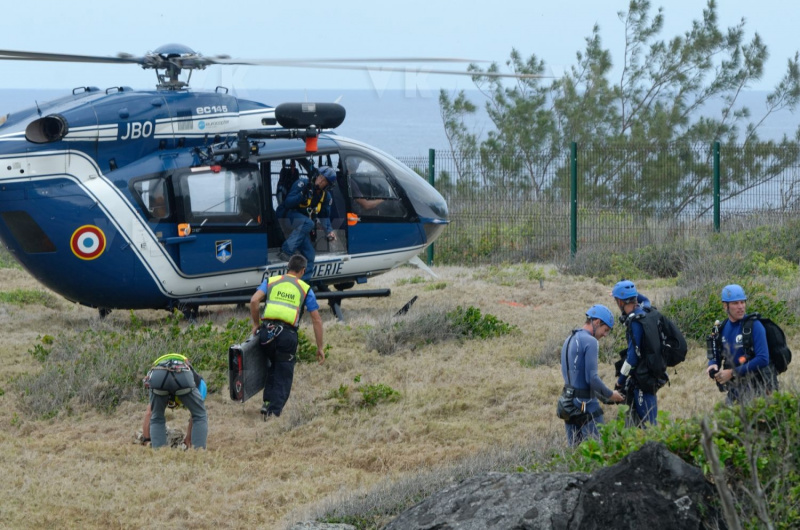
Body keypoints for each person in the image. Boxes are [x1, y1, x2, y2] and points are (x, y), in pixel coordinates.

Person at [249, 254, 326, 418]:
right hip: (286, 335)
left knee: (272, 365)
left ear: (288, 267)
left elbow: (254, 301)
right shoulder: (305, 289)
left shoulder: (271, 281)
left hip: (266, 333)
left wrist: (256, 324)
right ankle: (273, 414)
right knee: (284, 373)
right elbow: (316, 319)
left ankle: (267, 402)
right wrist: (320, 347)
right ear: (303, 270)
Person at [560, 304, 625, 446]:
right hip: (586, 404)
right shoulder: (591, 341)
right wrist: (610, 394)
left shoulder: (568, 339)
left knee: (575, 454)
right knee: (596, 452)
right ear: (596, 322)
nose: (605, 334)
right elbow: (592, 379)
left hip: (568, 402)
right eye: (605, 329)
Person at [707, 284, 778, 404]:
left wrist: (731, 373)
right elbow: (717, 354)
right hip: (736, 386)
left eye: (742, 302)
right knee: (728, 420)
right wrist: (713, 364)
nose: (740, 307)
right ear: (725, 306)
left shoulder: (755, 326)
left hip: (760, 386)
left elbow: (763, 359)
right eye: (735, 303)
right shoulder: (722, 328)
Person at [612, 280, 660, 427]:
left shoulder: (635, 322)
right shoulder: (646, 309)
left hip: (642, 380)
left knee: (648, 425)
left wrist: (620, 380)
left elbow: (632, 358)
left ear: (620, 302)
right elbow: (644, 299)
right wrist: (630, 293)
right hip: (653, 374)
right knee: (650, 421)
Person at [276, 166, 337, 282]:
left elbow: (324, 216)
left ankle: (304, 285)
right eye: (320, 177)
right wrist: (302, 195)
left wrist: (329, 231)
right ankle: (286, 251)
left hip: (302, 227)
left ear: (328, 185)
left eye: (324, 180)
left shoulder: (326, 197)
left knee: (310, 254)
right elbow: (288, 203)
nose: (320, 181)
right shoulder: (302, 184)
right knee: (308, 223)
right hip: (288, 218)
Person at [146, 353, 208, 449]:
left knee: (157, 417)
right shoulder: (200, 383)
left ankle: (158, 452)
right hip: (182, 375)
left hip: (157, 375)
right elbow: (195, 415)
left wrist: (146, 439)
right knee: (200, 415)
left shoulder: (159, 365)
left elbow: (149, 413)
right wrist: (188, 439)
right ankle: (198, 453)